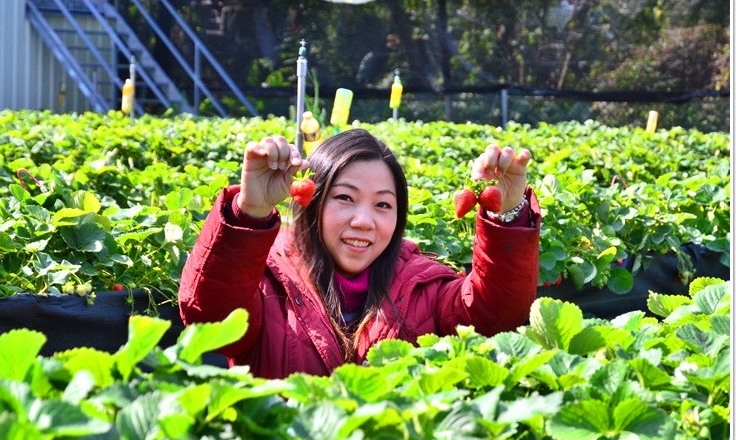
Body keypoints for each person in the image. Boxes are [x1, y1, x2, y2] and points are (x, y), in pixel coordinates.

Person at [179, 128, 540, 380]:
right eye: (344, 198)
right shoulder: (266, 278)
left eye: (383, 204)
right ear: (311, 203)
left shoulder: (423, 286)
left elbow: (495, 317)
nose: (364, 221)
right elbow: (209, 320)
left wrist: (505, 216)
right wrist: (250, 212)